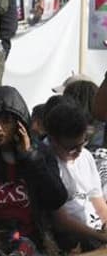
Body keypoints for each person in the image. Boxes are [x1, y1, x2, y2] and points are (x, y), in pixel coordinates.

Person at [0, 86, 67, 255]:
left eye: (5, 121)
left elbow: (56, 199)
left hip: (34, 243)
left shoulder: (40, 154)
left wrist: (30, 157)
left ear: (20, 125)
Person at [45, 99, 107, 251]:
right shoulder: (47, 165)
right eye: (72, 148)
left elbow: (97, 199)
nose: (79, 151)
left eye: (83, 143)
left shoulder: (85, 156)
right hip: (74, 238)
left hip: (96, 231)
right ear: (53, 141)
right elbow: (61, 221)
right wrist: (99, 236)